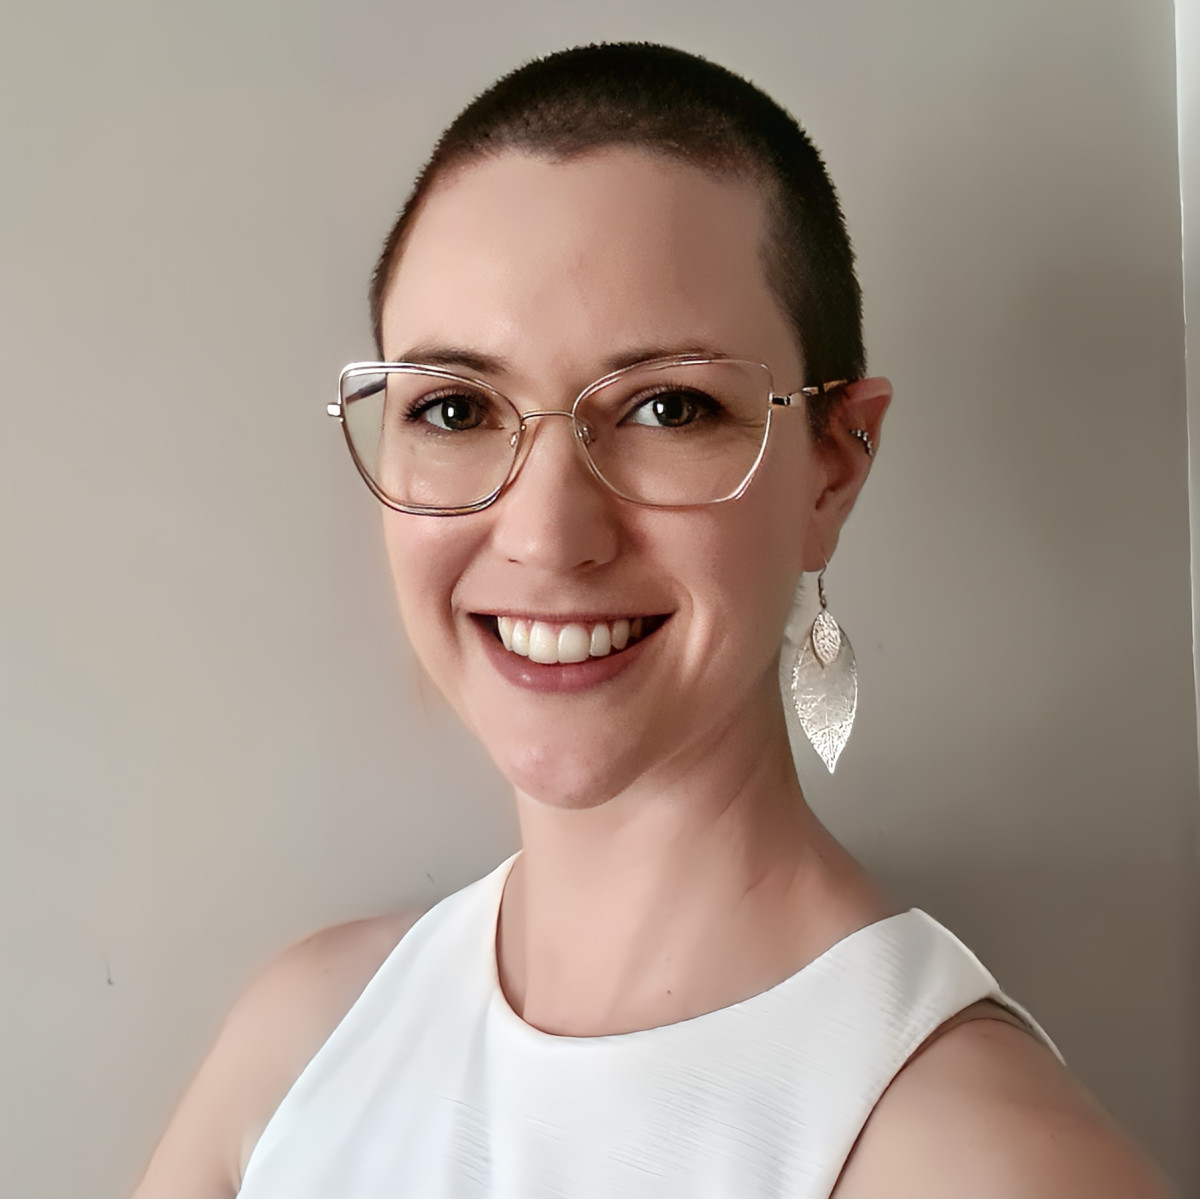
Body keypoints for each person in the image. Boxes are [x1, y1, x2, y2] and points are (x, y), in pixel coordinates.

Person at [133, 42, 1173, 1198]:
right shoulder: (300, 1039)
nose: (544, 536)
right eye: (457, 407)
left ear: (833, 465)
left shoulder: (980, 1158)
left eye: (669, 407)